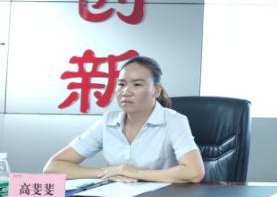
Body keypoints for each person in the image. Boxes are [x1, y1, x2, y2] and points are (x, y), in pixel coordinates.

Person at [44, 55, 204, 183]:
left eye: (137, 85)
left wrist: (135, 173)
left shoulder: (173, 120)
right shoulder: (107, 122)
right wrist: (108, 173)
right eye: (121, 84)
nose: (126, 91)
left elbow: (194, 172)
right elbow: (53, 167)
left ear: (156, 90)